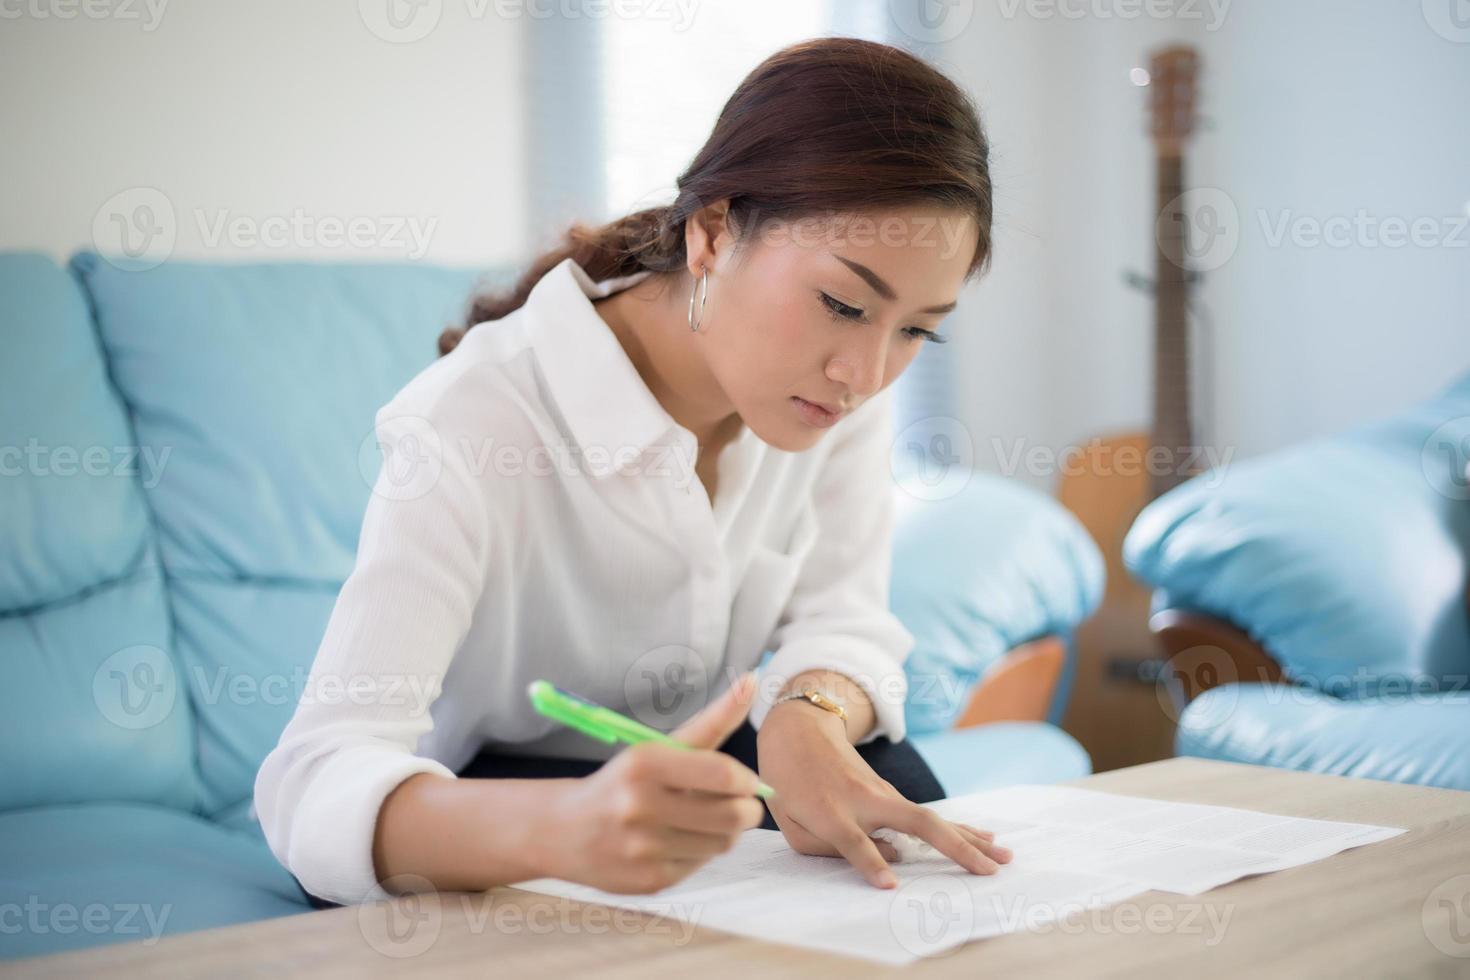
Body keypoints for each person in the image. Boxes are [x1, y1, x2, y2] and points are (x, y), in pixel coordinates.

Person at [254, 36, 1010, 910]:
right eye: (843, 303)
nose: (868, 373)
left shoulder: (835, 391)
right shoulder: (472, 421)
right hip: (504, 795)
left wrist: (812, 710)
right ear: (715, 232)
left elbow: (845, 615)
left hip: (713, 761)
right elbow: (314, 781)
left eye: (918, 328)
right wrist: (567, 826)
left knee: (910, 858)